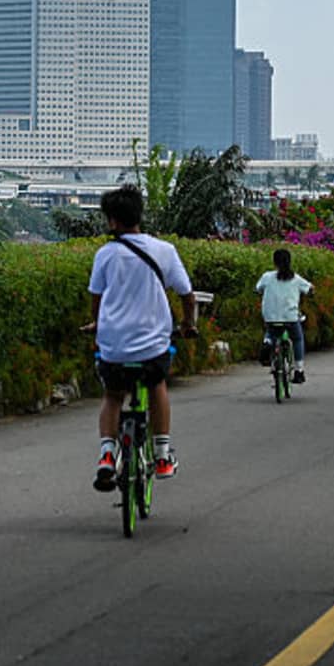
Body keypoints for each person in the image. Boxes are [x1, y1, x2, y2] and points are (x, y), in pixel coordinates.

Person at [84, 184, 197, 491]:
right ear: (139, 215)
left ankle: (107, 454)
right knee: (156, 383)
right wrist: (189, 324)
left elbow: (96, 298)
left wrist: (96, 324)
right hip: (151, 345)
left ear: (112, 221)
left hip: (114, 345)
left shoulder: (105, 254)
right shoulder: (164, 250)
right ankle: (162, 454)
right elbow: (187, 295)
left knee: (113, 395)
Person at [256, 248, 313, 384]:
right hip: (291, 318)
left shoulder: (267, 277)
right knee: (298, 339)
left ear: (274, 262)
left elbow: (258, 289)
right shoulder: (296, 279)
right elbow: (310, 289)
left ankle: (267, 343)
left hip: (270, 318)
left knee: (271, 332)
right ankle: (299, 371)